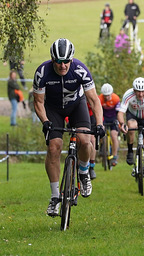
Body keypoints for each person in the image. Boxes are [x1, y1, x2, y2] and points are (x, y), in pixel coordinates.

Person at [33, 38, 105, 216]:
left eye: (66, 61)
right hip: (53, 109)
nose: (62, 65)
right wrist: (45, 121)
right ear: (52, 59)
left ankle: (83, 171)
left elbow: (94, 100)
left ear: (72, 59)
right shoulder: (42, 72)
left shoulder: (80, 70)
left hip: (76, 106)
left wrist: (100, 124)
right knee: (54, 147)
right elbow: (38, 102)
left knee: (84, 139)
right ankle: (55, 196)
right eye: (58, 61)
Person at [118, 77, 144, 189]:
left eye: (143, 91)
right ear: (133, 90)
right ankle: (130, 151)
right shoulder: (128, 95)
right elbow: (121, 112)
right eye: (138, 91)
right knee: (131, 126)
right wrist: (122, 124)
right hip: (132, 116)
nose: (140, 94)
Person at [99, 83, 121, 167]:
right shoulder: (100, 98)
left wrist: (118, 122)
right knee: (101, 132)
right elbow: (98, 111)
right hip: (104, 117)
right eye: (105, 96)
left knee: (114, 135)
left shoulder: (116, 99)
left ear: (111, 94)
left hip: (113, 118)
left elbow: (119, 112)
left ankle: (115, 156)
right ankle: (102, 145)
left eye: (108, 95)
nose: (106, 97)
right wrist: (100, 122)